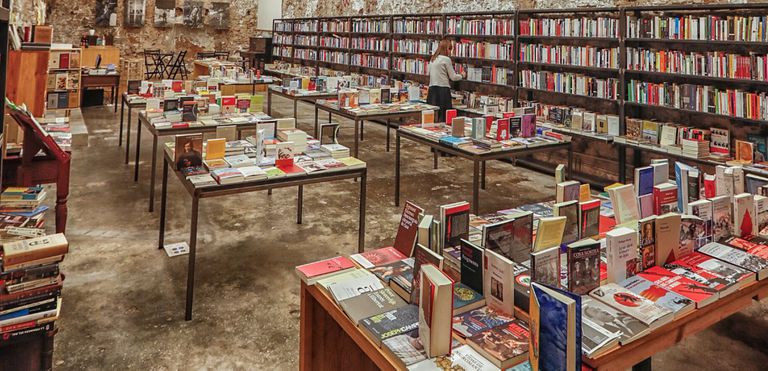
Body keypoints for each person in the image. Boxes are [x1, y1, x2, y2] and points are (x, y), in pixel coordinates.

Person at [427, 38, 463, 122]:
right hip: (443, 90)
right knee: (444, 117)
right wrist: (462, 75)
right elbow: (453, 77)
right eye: (449, 49)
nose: (450, 51)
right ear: (445, 48)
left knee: (433, 116)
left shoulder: (433, 59)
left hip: (432, 90)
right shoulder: (446, 59)